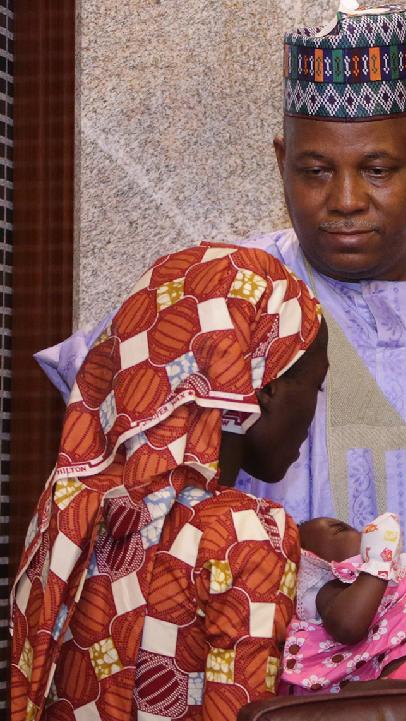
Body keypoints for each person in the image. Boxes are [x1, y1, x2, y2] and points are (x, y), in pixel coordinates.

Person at [34, 0, 406, 617]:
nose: (346, 200)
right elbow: (102, 447)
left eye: (378, 169)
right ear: (280, 160)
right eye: (315, 171)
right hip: (262, 660)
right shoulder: (227, 295)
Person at [10, 245, 327, 720]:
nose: (315, 413)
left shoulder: (69, 513)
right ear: (265, 385)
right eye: (316, 386)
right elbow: (243, 711)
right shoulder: (244, 533)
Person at [280, 512, 406, 694]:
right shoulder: (330, 586)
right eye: (341, 530)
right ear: (312, 560)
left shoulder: (400, 573)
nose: (363, 534)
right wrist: (378, 561)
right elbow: (348, 626)